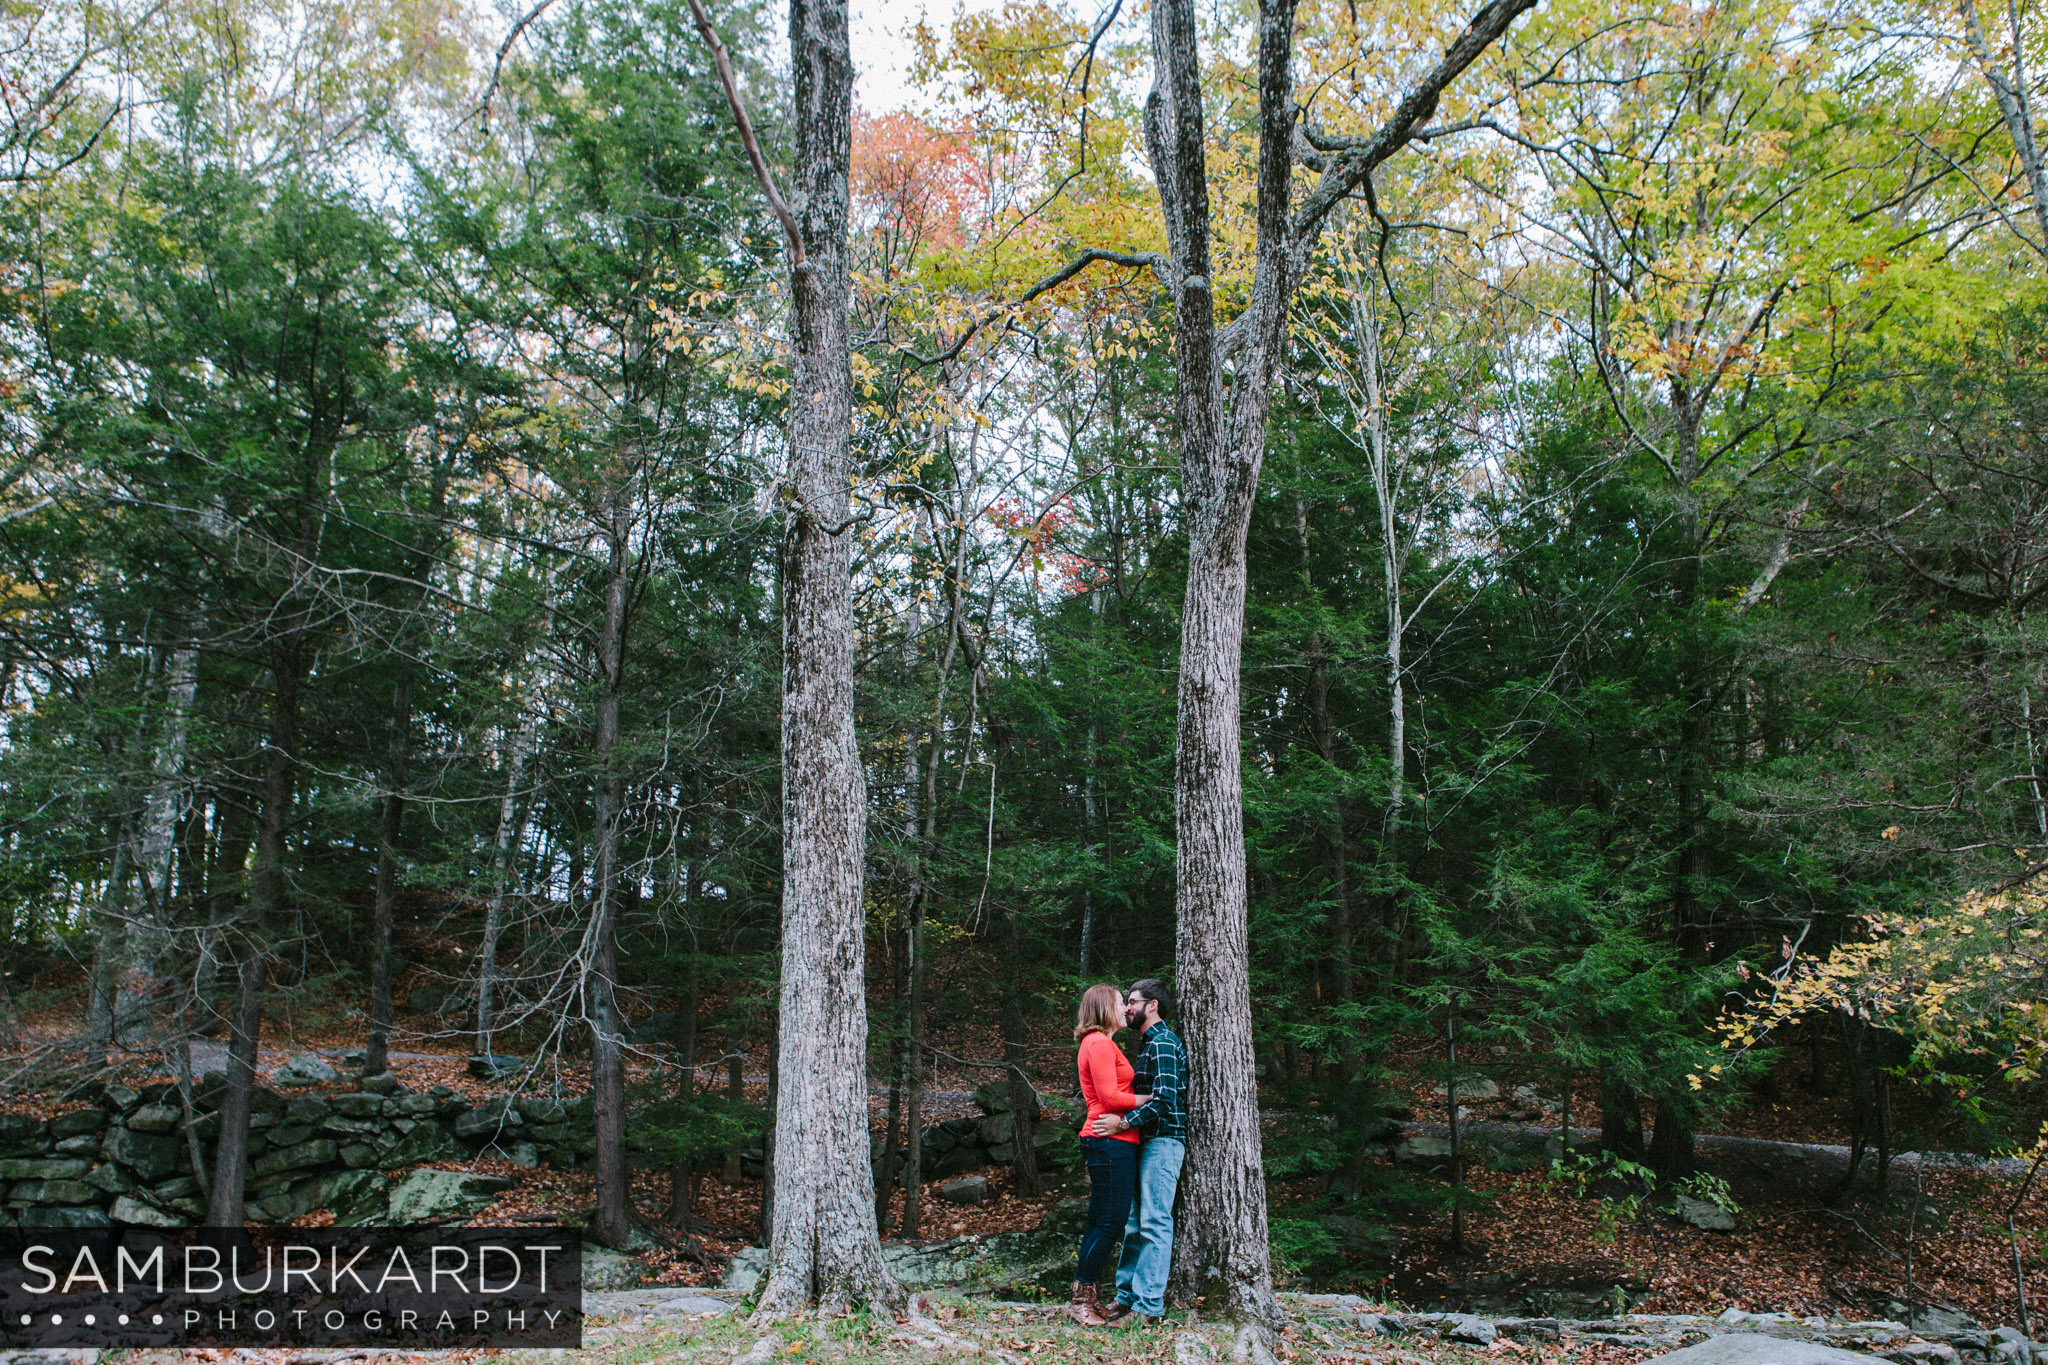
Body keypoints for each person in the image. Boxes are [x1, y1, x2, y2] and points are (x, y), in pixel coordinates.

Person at [1089, 978, 1185, 1325]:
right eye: (1126, 1001)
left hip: (1163, 1141)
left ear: (1152, 1005)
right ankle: (1126, 1296)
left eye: (1132, 1001)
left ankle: (1148, 1306)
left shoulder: (1163, 1043)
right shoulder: (1146, 1045)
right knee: (1134, 1223)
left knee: (1155, 1222)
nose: (1126, 1007)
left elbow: (1164, 1100)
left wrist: (1123, 1123)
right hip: (1143, 1142)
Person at [1069, 982, 1142, 1326]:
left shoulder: (1101, 1043)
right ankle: (1081, 1300)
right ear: (1103, 1009)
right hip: (1109, 1142)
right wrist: (1150, 1099)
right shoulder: (1097, 1042)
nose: (1126, 1009)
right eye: (1119, 1003)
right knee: (1110, 1223)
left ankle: (1088, 1296)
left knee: (1100, 1222)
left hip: (1113, 1141)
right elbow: (1110, 1098)